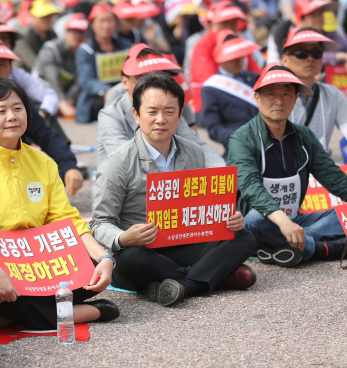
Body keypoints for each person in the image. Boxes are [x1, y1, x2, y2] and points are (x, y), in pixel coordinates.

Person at [0, 77, 119, 332]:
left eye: (18, 108)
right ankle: (80, 312)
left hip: (37, 266)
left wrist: (103, 257)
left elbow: (65, 220)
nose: (12, 116)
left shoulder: (43, 163)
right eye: (1, 110)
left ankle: (1, 318)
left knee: (91, 270)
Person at [91, 72, 257, 308]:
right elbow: (99, 223)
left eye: (169, 111)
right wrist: (123, 237)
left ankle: (185, 285)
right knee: (130, 258)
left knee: (244, 235)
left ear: (180, 116)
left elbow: (202, 209)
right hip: (144, 250)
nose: (161, 119)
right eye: (152, 111)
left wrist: (228, 219)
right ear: (136, 115)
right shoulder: (117, 162)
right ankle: (212, 275)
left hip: (183, 244)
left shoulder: (194, 152)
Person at [226, 63, 347, 268]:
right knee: (257, 219)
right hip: (254, 223)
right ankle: (327, 248)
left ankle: (287, 245)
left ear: (295, 100)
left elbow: (335, 179)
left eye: (286, 94)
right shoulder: (241, 138)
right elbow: (251, 188)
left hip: (296, 221)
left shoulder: (304, 136)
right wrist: (283, 223)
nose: (279, 100)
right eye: (271, 93)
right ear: (257, 98)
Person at [0, 36, 84, 196]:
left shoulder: (19, 99)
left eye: (1, 65)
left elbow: (45, 135)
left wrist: (70, 166)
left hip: (18, 165)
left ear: (10, 69)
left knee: (56, 173)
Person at [97, 43, 225, 168]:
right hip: (126, 185)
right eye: (141, 77)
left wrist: (225, 172)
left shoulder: (168, 108)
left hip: (165, 182)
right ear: (125, 82)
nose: (148, 84)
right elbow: (125, 161)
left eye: (155, 77)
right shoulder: (110, 116)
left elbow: (196, 146)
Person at [280, 27, 347, 167]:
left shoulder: (333, 94)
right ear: (284, 60)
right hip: (282, 174)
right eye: (301, 53)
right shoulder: (271, 95)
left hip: (320, 173)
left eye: (316, 53)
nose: (310, 58)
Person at [0, 25, 64, 142]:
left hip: (19, 130)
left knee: (37, 114)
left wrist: (43, 113)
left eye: (5, 39)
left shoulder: (18, 74)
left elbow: (48, 94)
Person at [189, 1, 261, 116]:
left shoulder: (239, 42)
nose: (230, 27)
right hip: (207, 105)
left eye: (234, 22)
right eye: (225, 22)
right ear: (214, 24)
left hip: (242, 102)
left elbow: (257, 75)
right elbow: (209, 81)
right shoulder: (203, 44)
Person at [267, 0, 347, 72]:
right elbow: (299, 61)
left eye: (321, 13)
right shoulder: (293, 39)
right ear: (300, 20)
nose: (318, 18)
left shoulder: (333, 36)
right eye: (312, 15)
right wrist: (342, 57)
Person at [201, 30, 261, 149]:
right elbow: (214, 128)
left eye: (241, 56)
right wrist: (240, 138)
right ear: (222, 59)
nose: (238, 61)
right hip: (238, 147)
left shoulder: (254, 78)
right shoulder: (211, 88)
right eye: (233, 57)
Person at [75, 4, 132, 123]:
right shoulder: (85, 50)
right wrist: (107, 91)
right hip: (96, 98)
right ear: (92, 24)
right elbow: (87, 81)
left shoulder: (126, 46)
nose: (106, 25)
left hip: (125, 92)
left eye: (110, 20)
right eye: (101, 21)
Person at [34, 13, 89, 118]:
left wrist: (68, 100)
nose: (77, 35)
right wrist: (62, 103)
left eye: (81, 32)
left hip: (65, 94)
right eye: (73, 31)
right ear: (66, 32)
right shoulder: (51, 48)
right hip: (41, 90)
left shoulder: (83, 52)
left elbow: (79, 81)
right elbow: (52, 79)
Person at [13, 0, 61, 73]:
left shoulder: (52, 35)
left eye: (49, 16)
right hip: (23, 76)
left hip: (45, 73)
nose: (47, 20)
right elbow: (33, 63)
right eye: (43, 17)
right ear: (33, 17)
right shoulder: (22, 37)